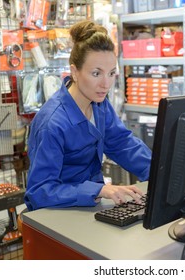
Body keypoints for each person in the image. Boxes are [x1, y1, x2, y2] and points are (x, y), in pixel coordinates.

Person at [24, 20, 152, 211]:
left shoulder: (100, 105)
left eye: (111, 73)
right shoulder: (52, 124)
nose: (105, 84)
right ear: (75, 72)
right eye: (96, 73)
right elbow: (40, 192)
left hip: (92, 207)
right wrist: (99, 190)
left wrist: (163, 173)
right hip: (58, 214)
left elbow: (122, 143)